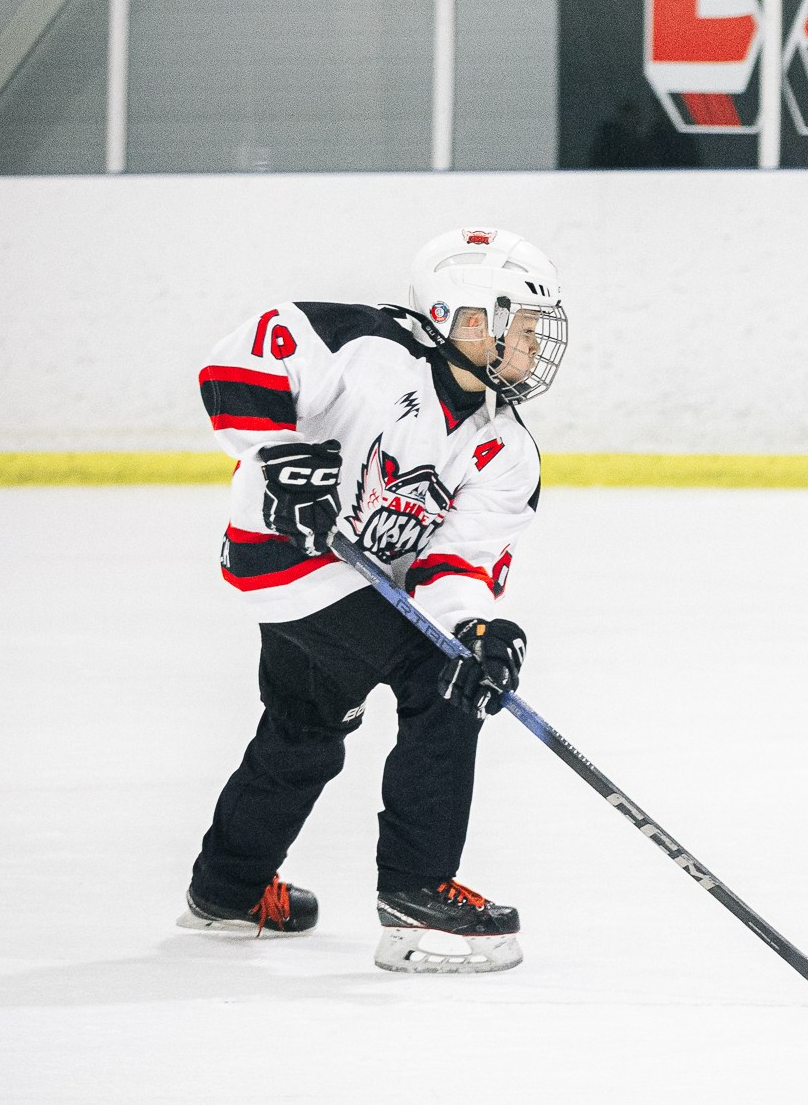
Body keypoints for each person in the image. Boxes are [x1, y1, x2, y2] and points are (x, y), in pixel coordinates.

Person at [178, 227, 566, 974]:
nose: (532, 347)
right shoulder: (370, 348)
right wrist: (278, 451)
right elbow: (235, 364)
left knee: (307, 727)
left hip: (349, 583)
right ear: (467, 319)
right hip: (285, 555)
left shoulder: (504, 449)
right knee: (444, 680)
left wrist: (476, 626)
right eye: (521, 327)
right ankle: (417, 900)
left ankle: (225, 891)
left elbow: (453, 562)